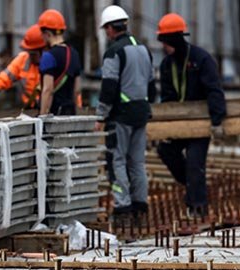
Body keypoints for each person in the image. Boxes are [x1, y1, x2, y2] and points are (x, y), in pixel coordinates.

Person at [156, 13, 226, 219]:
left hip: (199, 125)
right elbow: (167, 98)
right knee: (166, 150)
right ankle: (191, 185)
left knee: (196, 163)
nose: (162, 46)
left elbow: (214, 90)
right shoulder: (167, 65)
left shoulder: (200, 60)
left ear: (174, 40)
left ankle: (198, 206)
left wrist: (216, 120)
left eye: (164, 42)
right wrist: (164, 126)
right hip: (178, 124)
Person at [95, 5, 156, 220]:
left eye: (106, 29)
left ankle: (122, 207)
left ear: (111, 28)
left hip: (120, 116)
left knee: (116, 161)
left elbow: (109, 87)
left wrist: (101, 115)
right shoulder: (143, 49)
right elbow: (151, 85)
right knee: (137, 161)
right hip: (141, 112)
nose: (106, 33)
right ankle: (140, 205)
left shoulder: (114, 52)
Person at [37, 9, 81, 115]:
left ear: (47, 34)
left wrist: (42, 116)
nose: (42, 38)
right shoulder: (74, 53)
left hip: (55, 114)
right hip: (70, 113)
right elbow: (77, 90)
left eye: (42, 34)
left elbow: (48, 90)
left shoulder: (48, 56)